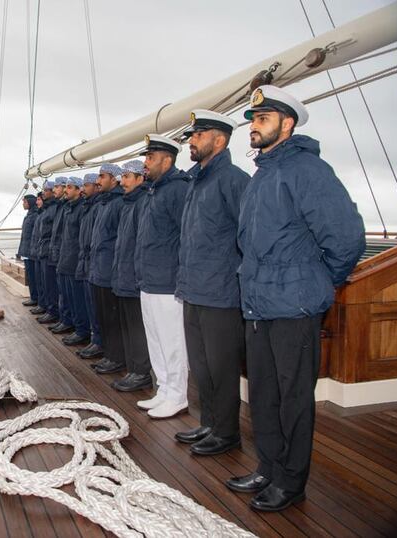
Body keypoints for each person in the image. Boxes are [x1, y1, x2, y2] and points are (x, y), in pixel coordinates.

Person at [227, 85, 365, 512]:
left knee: (293, 398)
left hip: (294, 306)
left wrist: (317, 282)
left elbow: (346, 239)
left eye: (263, 119)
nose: (254, 125)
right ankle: (269, 467)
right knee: (264, 394)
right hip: (258, 305)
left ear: (287, 123)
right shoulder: (263, 174)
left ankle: (291, 481)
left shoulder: (307, 170)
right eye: (252, 119)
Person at [174, 110, 250, 455]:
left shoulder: (233, 180)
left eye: (198, 135)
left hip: (221, 293)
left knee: (221, 368)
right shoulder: (196, 182)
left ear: (218, 140)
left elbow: (247, 236)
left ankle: (227, 432)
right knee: (202, 366)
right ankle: (209, 423)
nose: (191, 140)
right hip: (193, 289)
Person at [134, 134, 190, 419]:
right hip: (149, 280)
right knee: (155, 339)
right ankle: (165, 389)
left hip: (168, 283)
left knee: (172, 342)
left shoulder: (178, 191)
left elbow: (186, 236)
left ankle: (178, 395)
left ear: (167, 160)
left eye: (150, 158)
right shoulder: (152, 192)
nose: (146, 163)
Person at [109, 160, 153, 392]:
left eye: (127, 176)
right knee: (127, 326)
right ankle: (133, 368)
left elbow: (140, 244)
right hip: (122, 276)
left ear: (140, 179)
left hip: (133, 279)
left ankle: (141, 372)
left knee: (137, 328)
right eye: (122, 176)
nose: (122, 181)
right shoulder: (128, 204)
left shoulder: (142, 203)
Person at [88, 164, 127, 375]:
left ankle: (116, 357)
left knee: (112, 318)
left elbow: (119, 240)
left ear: (114, 179)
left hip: (108, 270)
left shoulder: (118, 203)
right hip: (98, 269)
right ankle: (107, 353)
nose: (98, 181)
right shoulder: (104, 204)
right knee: (102, 315)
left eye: (102, 177)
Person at [56, 177, 90, 345]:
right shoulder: (68, 209)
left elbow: (82, 239)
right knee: (68, 297)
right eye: (66, 187)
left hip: (75, 261)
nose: (65, 190)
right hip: (65, 259)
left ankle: (81, 330)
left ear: (78, 190)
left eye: (69, 187)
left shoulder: (81, 209)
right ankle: (72, 324)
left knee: (78, 301)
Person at [76, 173, 104, 359]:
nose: (84, 189)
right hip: (85, 259)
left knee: (96, 307)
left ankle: (98, 341)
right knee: (87, 302)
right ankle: (94, 338)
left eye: (87, 185)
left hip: (96, 262)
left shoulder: (98, 206)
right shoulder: (88, 207)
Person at [48, 178, 73, 333]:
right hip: (59, 253)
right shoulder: (61, 207)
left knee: (68, 294)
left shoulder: (65, 207)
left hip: (67, 256)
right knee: (62, 292)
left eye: (57, 187)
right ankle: (64, 319)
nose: (56, 190)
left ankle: (68, 321)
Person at [36, 179, 62, 324]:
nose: (44, 192)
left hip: (49, 249)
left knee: (51, 284)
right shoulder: (48, 208)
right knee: (46, 283)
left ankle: (53, 311)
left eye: (46, 190)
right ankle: (48, 308)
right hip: (44, 249)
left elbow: (54, 232)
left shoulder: (55, 208)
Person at [17, 193, 40, 307]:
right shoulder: (29, 215)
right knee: (30, 276)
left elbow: (34, 235)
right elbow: (24, 236)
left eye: (25, 202)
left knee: (34, 277)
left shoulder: (34, 215)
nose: (23, 204)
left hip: (32, 252)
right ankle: (33, 297)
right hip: (27, 251)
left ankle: (36, 298)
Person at [28, 193, 45, 315]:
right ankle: (41, 304)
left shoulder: (37, 215)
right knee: (38, 280)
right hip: (35, 251)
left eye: (39, 199)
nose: (37, 202)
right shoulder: (39, 214)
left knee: (45, 283)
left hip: (43, 252)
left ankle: (46, 306)